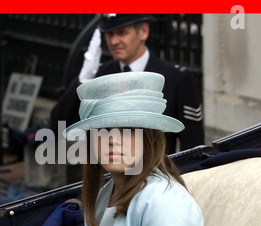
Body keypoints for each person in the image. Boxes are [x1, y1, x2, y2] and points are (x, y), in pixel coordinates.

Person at [63, 71, 210, 226]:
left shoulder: (164, 201)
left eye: (127, 129)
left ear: (148, 138)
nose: (112, 140)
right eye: (102, 130)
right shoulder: (106, 194)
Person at [51, 14, 204, 155]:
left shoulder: (176, 78)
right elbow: (59, 125)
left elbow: (192, 147)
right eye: (109, 34)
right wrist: (84, 79)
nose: (113, 41)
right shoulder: (102, 74)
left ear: (143, 31)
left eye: (122, 33)